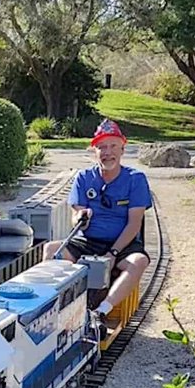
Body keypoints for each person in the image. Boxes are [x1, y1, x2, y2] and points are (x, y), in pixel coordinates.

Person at [42, 119, 152, 327]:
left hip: (123, 243)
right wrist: (81, 217)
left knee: (138, 261)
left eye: (112, 146)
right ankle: (56, 308)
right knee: (52, 250)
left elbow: (134, 223)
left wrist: (113, 253)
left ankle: (102, 311)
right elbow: (76, 215)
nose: (107, 152)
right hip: (88, 241)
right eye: (101, 147)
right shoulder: (83, 178)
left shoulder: (136, 179)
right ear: (95, 151)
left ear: (122, 148)